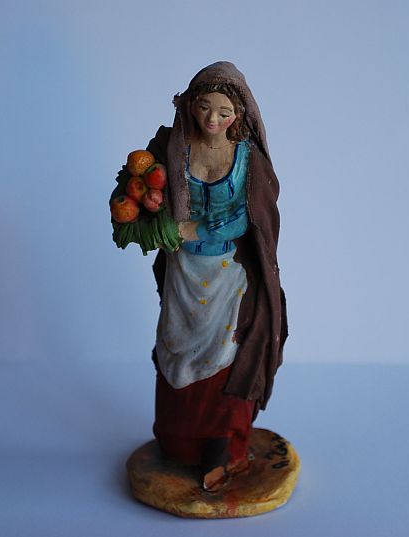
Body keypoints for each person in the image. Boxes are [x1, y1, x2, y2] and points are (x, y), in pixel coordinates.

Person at [141, 62, 288, 492]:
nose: (212, 119)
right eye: (204, 108)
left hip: (228, 275)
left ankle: (223, 448)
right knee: (175, 349)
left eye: (223, 112)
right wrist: (145, 214)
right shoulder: (173, 150)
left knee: (227, 352)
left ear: (238, 115)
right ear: (190, 106)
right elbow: (146, 191)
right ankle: (180, 445)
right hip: (183, 274)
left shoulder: (247, 160)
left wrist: (195, 229)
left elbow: (251, 216)